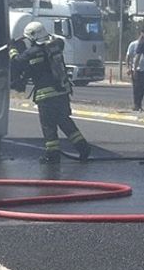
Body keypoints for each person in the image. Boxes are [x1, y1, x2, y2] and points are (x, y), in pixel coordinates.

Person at [9, 21, 91, 164]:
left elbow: (17, 62)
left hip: (45, 96)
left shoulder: (31, 52)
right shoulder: (55, 46)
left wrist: (12, 49)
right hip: (62, 92)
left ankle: (52, 155)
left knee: (48, 126)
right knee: (64, 121)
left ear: (32, 37)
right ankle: (83, 147)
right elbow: (58, 41)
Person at [125, 35, 144, 111]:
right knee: (136, 88)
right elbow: (128, 56)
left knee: (142, 88)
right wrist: (128, 68)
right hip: (135, 69)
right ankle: (136, 104)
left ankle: (139, 104)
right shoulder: (133, 44)